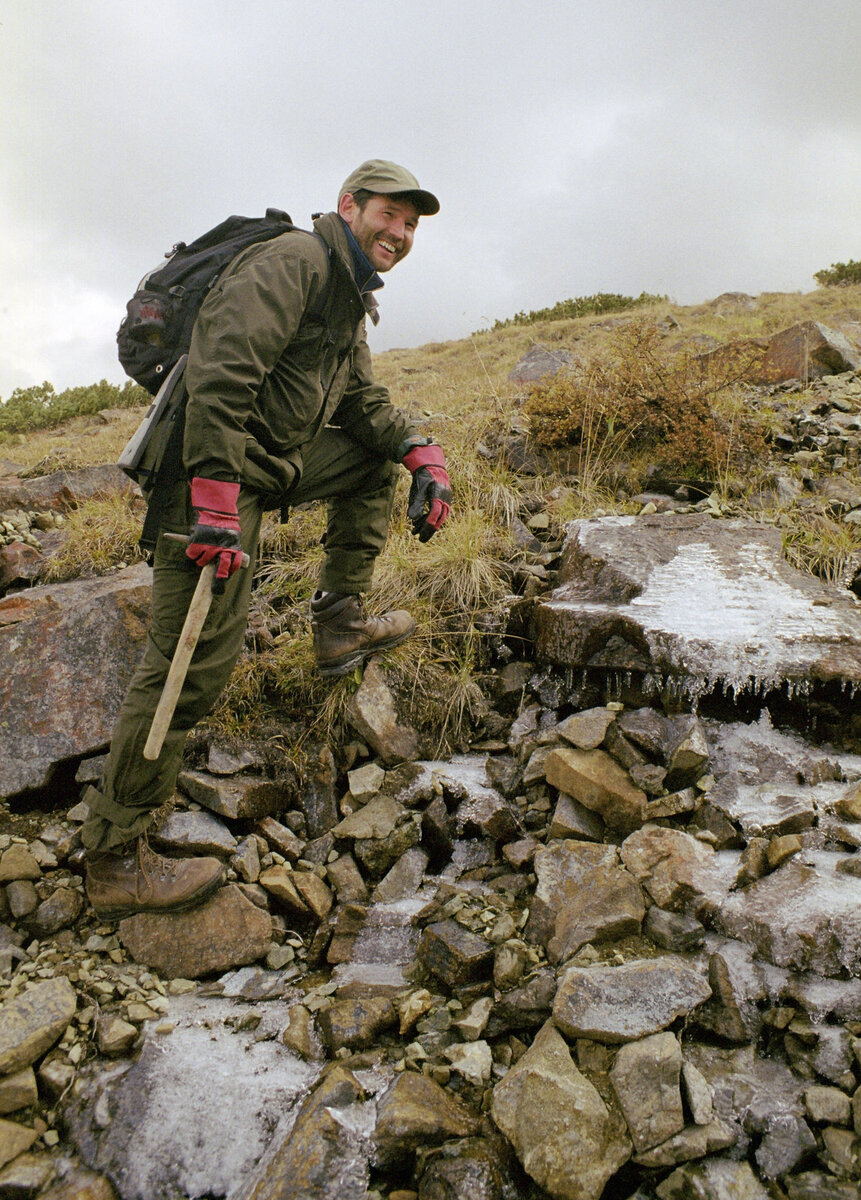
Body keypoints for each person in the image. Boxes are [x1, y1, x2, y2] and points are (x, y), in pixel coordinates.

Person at [81, 160, 450, 919]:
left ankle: (338, 626)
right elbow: (222, 368)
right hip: (204, 472)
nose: (400, 233)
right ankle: (114, 859)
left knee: (372, 466)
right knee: (192, 661)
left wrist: (417, 449)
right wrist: (214, 498)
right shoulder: (295, 261)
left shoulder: (347, 297)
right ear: (349, 206)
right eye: (389, 215)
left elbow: (356, 399)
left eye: (411, 225)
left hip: (264, 462)